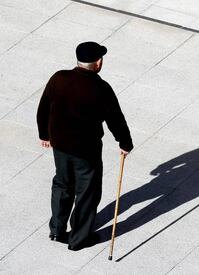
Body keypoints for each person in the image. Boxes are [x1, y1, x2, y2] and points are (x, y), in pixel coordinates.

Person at [36, 41, 133, 251]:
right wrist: (125, 143)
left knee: (62, 185)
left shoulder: (59, 78)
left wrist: (44, 134)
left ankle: (57, 230)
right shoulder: (101, 88)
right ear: (98, 63)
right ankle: (79, 239)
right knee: (87, 192)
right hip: (85, 150)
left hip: (60, 146)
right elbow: (116, 119)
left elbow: (44, 107)